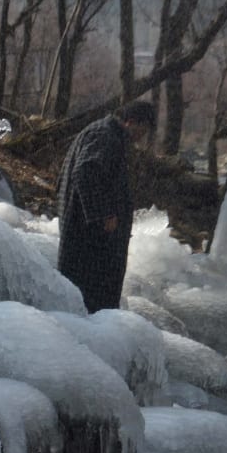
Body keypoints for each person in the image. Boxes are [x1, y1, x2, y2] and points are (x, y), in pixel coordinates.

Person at [56, 100, 155, 313]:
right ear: (131, 122)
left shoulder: (106, 134)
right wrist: (105, 214)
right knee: (91, 297)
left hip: (87, 232)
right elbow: (84, 172)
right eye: (143, 130)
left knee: (86, 294)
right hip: (90, 237)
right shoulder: (105, 136)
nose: (142, 137)